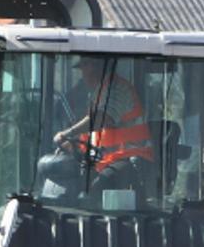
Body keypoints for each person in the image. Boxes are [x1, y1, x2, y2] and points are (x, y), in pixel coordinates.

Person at [52, 56, 153, 190]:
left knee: (99, 187)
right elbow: (95, 134)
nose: (83, 76)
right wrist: (73, 145)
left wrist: (68, 133)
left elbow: (102, 118)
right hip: (107, 159)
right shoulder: (99, 93)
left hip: (131, 158)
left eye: (84, 69)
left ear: (95, 67)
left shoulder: (117, 89)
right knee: (69, 184)